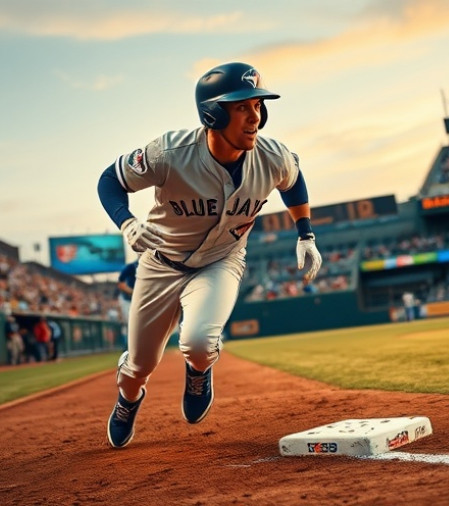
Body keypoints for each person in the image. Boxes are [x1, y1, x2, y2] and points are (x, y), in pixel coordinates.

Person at [97, 61, 322, 448]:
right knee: (139, 365)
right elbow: (110, 181)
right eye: (242, 107)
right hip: (161, 265)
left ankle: (199, 371)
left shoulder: (272, 156)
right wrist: (126, 223)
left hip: (222, 260)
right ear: (212, 113)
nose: (255, 117)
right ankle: (128, 400)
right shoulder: (170, 153)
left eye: (258, 106)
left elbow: (294, 181)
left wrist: (306, 233)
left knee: (199, 343)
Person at [116, 259, 138, 345]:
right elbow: (120, 284)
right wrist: (134, 292)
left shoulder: (152, 266)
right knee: (130, 323)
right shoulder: (132, 266)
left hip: (139, 301)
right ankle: (128, 346)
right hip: (127, 300)